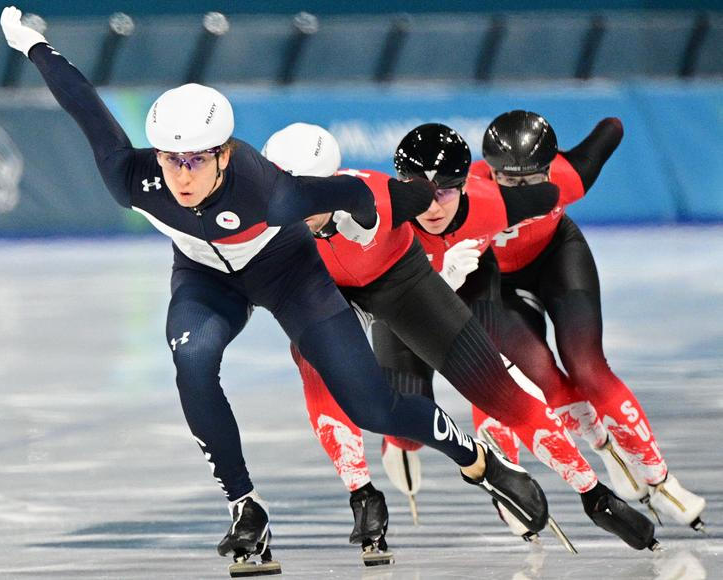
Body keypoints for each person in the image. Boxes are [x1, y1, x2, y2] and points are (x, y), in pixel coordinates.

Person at [0, 8, 549, 573]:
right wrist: (35, 46)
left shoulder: (269, 191)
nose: (179, 176)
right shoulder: (130, 178)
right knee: (191, 357)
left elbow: (360, 196)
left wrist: (418, 205)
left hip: (287, 273)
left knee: (373, 407)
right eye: (169, 159)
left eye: (194, 161)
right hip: (204, 278)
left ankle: (480, 462)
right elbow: (85, 106)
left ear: (225, 155)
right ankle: (245, 509)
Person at [263, 122, 659, 551]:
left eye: (308, 193)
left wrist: (557, 189)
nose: (293, 205)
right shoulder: (265, 217)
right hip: (338, 293)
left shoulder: (406, 199)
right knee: (317, 364)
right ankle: (362, 494)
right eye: (287, 193)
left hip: (403, 284)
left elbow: (542, 194)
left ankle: (594, 494)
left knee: (500, 392)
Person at [470, 110, 706, 533]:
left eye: (532, 182)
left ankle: (661, 479)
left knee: (588, 367)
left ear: (550, 167)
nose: (522, 194)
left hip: (558, 256)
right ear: (489, 171)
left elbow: (612, 127)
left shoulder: (571, 175)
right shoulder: (462, 193)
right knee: (540, 376)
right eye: (508, 181)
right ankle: (603, 446)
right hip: (495, 282)